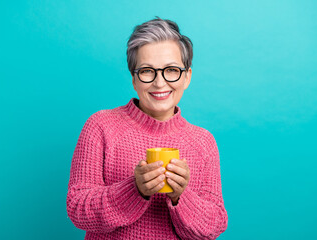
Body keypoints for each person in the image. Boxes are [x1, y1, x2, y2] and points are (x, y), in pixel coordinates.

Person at [66, 17, 228, 239]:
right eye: (147, 71)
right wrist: (135, 189)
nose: (159, 83)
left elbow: (214, 226)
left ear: (187, 77)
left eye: (171, 70)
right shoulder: (100, 126)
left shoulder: (203, 142)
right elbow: (78, 209)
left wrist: (181, 196)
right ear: (134, 79)